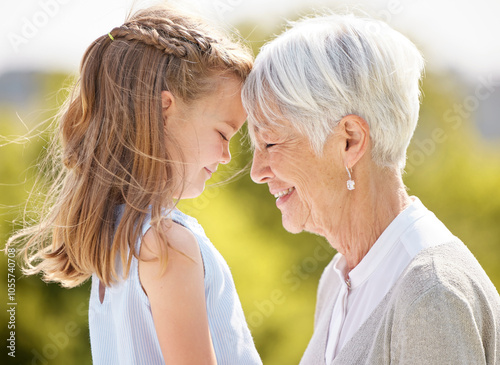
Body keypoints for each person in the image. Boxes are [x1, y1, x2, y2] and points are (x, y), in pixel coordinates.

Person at [7, 5, 262, 365]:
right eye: (223, 133)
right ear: (164, 108)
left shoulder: (116, 242)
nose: (225, 155)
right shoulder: (167, 245)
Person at [242, 11, 500, 365]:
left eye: (270, 144)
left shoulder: (432, 293)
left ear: (350, 140)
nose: (258, 171)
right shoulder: (338, 281)